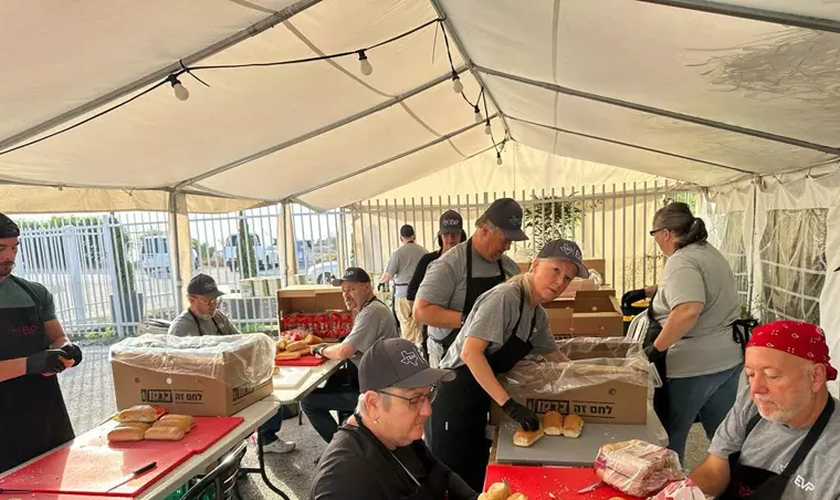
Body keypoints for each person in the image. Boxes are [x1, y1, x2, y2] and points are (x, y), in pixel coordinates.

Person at [429, 238, 586, 490]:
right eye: (556, 270)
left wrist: (596, 378)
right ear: (535, 265)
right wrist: (509, 405)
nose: (560, 282)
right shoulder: (506, 298)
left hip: (481, 397)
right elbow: (471, 354)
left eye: (568, 278)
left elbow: (555, 356)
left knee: (477, 478)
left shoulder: (537, 313)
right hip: (454, 397)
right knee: (453, 480)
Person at [309, 338, 476, 500]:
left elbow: (442, 475)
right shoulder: (342, 482)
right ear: (373, 403)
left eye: (428, 395)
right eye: (414, 399)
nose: (427, 410)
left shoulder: (401, 435)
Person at [689, 320, 840, 500]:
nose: (756, 389)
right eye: (750, 375)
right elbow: (715, 468)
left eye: (771, 376)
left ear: (815, 377)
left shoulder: (834, 450)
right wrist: (681, 495)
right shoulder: (750, 403)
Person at [643, 202, 743, 463]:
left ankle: (671, 489)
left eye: (654, 235)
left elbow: (688, 310)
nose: (656, 241)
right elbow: (697, 289)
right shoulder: (708, 252)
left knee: (670, 437)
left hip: (691, 366)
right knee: (724, 436)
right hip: (726, 359)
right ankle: (735, 487)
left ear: (664, 233)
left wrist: (656, 349)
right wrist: (646, 293)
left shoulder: (681, 261)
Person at [168, 274, 295, 454]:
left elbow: (240, 340)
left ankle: (266, 438)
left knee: (267, 391)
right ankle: (229, 454)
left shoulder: (218, 316)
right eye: (208, 301)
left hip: (229, 373)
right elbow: (176, 366)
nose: (213, 305)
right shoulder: (181, 328)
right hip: (202, 384)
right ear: (191, 299)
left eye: (216, 300)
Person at [0, 213, 84, 473]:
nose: (9, 257)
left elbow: (56, 336)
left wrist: (65, 349)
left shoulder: (34, 293)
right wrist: (28, 364)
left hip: (46, 418)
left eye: (14, 247)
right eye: (1, 248)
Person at [414, 198, 525, 368]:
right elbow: (421, 312)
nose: (508, 247)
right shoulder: (449, 265)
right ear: (485, 230)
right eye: (504, 240)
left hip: (490, 357)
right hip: (449, 357)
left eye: (511, 241)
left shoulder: (509, 268)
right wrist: (471, 320)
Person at [303, 267, 399, 443]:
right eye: (343, 291)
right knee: (333, 380)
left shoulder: (372, 312)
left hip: (377, 393)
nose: (346, 295)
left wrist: (319, 349)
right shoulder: (369, 309)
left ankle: (341, 448)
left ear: (367, 288)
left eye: (351, 289)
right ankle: (350, 437)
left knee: (308, 401)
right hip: (373, 381)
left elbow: (343, 351)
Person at [406, 210, 467, 360]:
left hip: (463, 332)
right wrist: (432, 296)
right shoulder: (429, 260)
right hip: (435, 332)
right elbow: (411, 291)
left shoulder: (469, 262)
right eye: (446, 234)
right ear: (440, 235)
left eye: (455, 234)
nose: (451, 238)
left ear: (462, 235)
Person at [379, 225, 428, 345]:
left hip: (403, 294)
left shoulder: (397, 253)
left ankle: (409, 351)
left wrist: (380, 282)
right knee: (420, 324)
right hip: (421, 293)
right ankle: (421, 350)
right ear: (414, 236)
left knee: (406, 324)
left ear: (401, 238)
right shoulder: (424, 252)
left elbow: (388, 275)